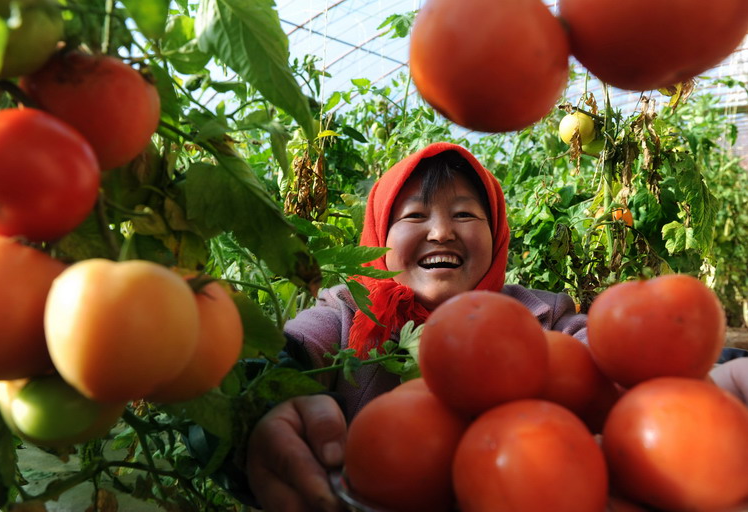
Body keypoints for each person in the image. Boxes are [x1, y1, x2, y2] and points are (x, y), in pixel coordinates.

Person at [243, 142, 748, 512]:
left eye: (465, 213)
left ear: (497, 234)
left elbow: (602, 356)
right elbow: (282, 356)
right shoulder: (348, 314)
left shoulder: (541, 316)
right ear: (378, 235)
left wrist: (711, 373)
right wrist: (263, 412)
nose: (442, 231)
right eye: (415, 215)